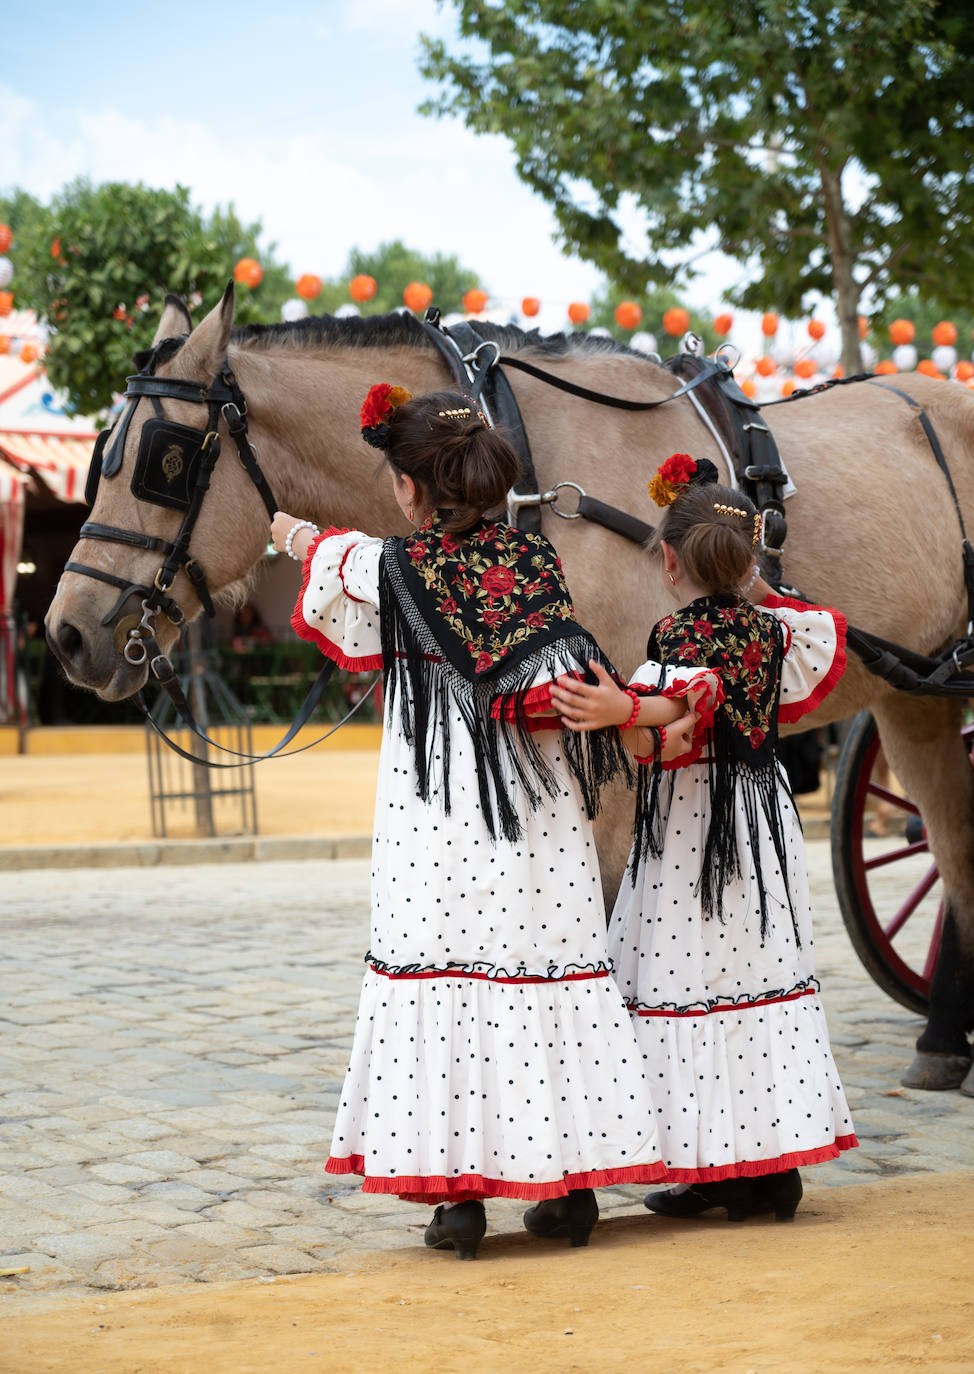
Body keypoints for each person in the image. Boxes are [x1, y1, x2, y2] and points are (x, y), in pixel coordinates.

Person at [270, 387, 702, 1259]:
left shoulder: (391, 570)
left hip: (439, 819)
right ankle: (571, 1188)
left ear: (407, 489)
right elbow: (560, 674)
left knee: (446, 981)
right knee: (546, 973)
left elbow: (325, 554)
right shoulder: (534, 569)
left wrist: (283, 530)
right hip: (538, 817)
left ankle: (460, 1204)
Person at [550, 453, 857, 1222]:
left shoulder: (675, 634)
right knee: (759, 978)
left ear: (666, 559)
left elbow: (677, 715)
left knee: (688, 979)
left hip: (694, 825)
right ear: (747, 562)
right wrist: (752, 582)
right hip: (761, 815)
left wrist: (621, 709)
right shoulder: (777, 631)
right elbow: (812, 623)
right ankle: (775, 1168)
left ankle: (711, 1168)